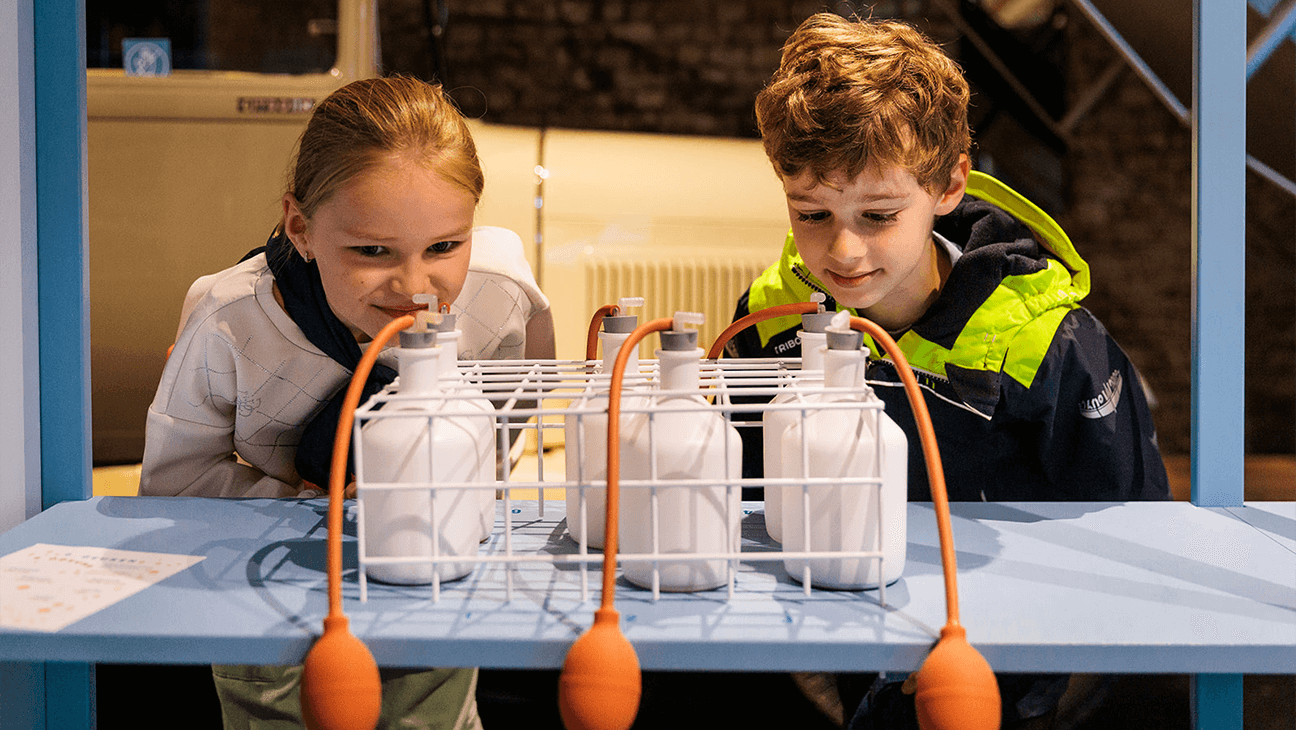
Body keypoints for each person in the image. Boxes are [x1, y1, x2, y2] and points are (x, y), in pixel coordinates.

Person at [725, 13, 1170, 729]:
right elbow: (738, 502)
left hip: (1008, 667)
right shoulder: (770, 319)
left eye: (877, 215)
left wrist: (1023, 683)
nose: (842, 250)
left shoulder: (1044, 342)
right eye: (810, 213)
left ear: (951, 182)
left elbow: (1128, 534)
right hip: (830, 647)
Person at [140, 75, 554, 729]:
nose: (415, 286)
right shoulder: (228, 322)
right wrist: (313, 505)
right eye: (370, 251)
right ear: (300, 227)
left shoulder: (500, 297)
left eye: (445, 246)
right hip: (265, 596)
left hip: (429, 584)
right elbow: (174, 482)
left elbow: (505, 422)